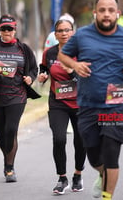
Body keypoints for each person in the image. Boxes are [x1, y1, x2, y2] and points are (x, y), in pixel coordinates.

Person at [58, 0, 123, 200]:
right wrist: (75, 65)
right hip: (88, 104)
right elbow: (63, 54)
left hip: (117, 102)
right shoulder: (81, 36)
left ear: (117, 13)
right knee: (93, 156)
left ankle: (108, 196)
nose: (106, 14)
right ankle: (102, 173)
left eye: (110, 10)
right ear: (95, 13)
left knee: (110, 154)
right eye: (102, 10)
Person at [0, 14, 39, 183]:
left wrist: (30, 78)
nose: (7, 31)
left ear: (15, 30)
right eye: (4, 29)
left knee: (10, 130)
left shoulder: (23, 49)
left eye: (10, 28)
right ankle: (9, 159)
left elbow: (34, 69)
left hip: (17, 96)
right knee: (0, 133)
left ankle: (9, 167)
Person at [37, 19, 86, 195]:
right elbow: (43, 69)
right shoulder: (49, 53)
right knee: (59, 139)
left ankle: (78, 175)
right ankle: (62, 178)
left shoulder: (82, 52)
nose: (64, 33)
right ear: (55, 34)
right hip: (58, 102)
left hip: (80, 102)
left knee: (81, 140)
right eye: (60, 31)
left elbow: (88, 77)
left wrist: (72, 71)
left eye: (67, 30)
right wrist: (42, 77)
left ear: (73, 32)